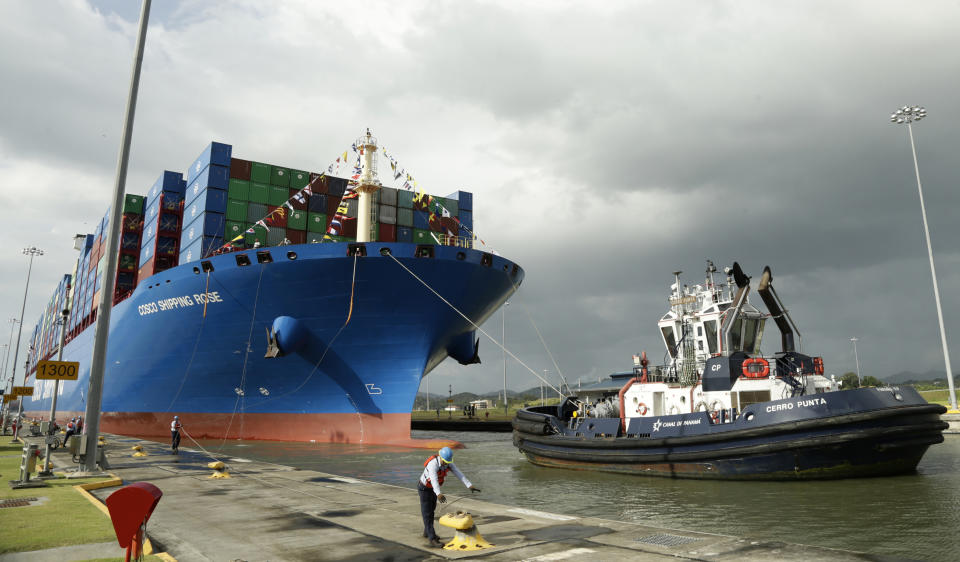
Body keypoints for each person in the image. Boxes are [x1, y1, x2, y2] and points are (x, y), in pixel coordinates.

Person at [417, 446, 480, 548]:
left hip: (433, 490)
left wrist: (469, 485)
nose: (446, 463)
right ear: (440, 457)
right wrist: (438, 493)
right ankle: (432, 539)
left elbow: (458, 473)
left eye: (447, 462)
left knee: (431, 510)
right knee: (427, 513)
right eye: (444, 461)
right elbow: (433, 479)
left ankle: (427, 532)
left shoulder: (448, 463)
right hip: (424, 489)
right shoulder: (433, 464)